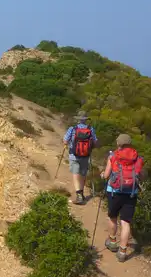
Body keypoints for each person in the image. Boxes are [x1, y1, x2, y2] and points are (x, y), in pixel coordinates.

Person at [102, 134, 145, 262]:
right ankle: (122, 251)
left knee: (113, 217)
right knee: (126, 222)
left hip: (114, 192)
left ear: (118, 143)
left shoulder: (113, 156)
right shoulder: (137, 158)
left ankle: (112, 241)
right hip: (131, 193)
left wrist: (102, 175)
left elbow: (106, 175)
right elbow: (141, 176)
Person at [62, 112, 98, 205]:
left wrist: (66, 144)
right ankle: (81, 193)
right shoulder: (90, 129)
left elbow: (65, 140)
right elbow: (95, 142)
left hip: (74, 155)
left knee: (75, 174)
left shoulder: (72, 128)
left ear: (78, 119)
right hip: (85, 156)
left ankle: (79, 195)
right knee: (82, 174)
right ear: (86, 119)